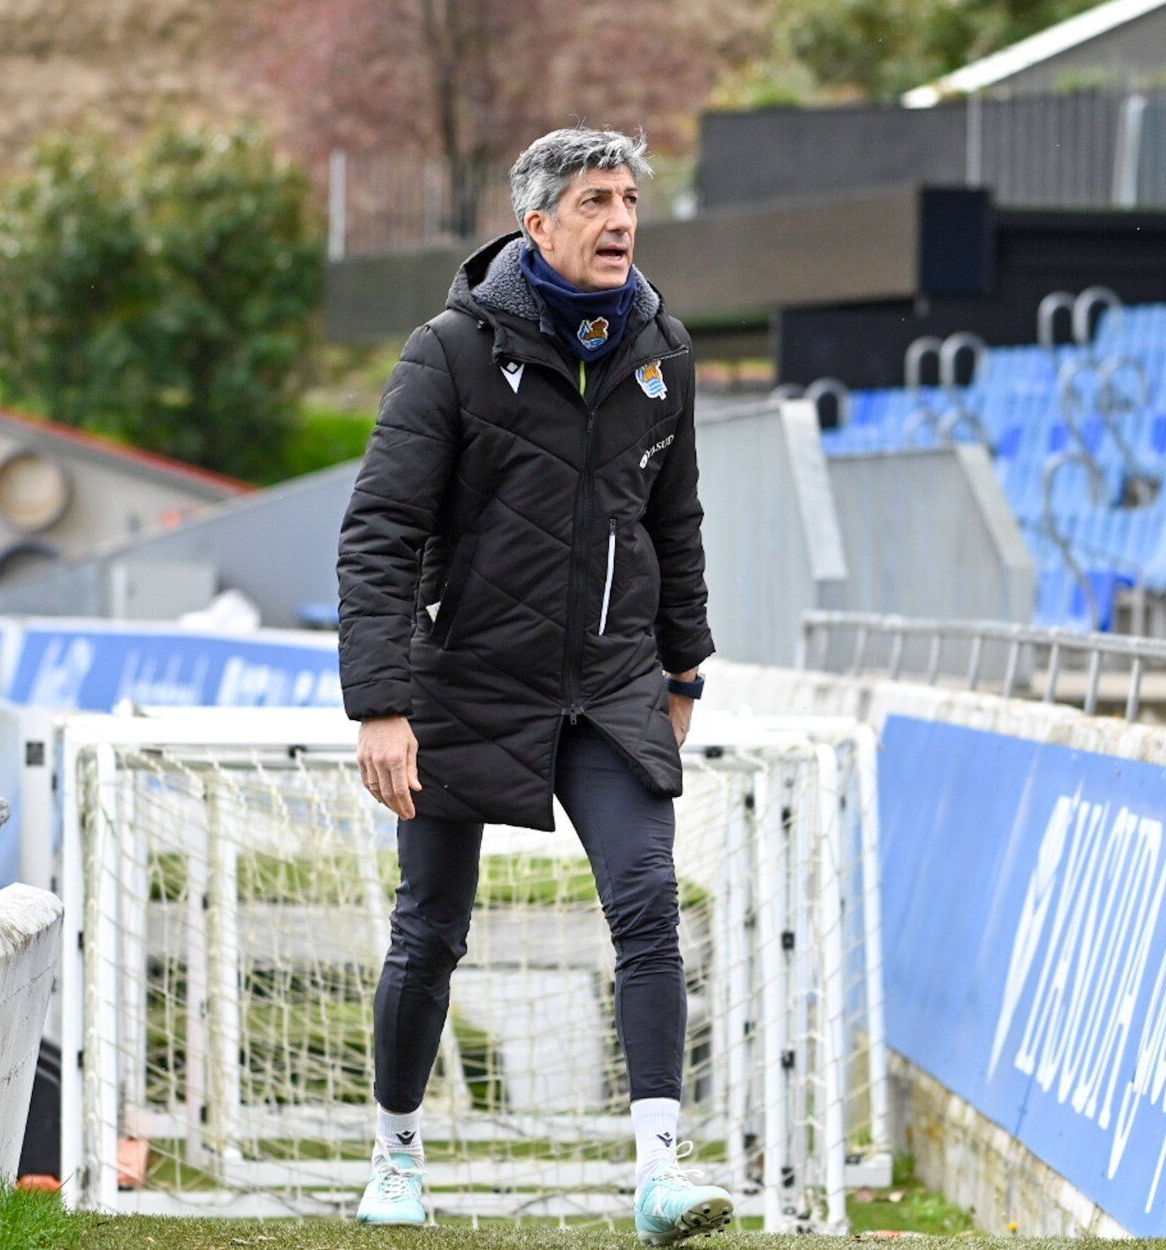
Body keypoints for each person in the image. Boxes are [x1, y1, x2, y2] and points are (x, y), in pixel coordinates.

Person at [335, 126, 725, 1243]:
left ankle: (659, 1172)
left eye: (631, 200)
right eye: (596, 201)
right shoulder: (449, 350)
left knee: (649, 907)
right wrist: (380, 700)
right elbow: (379, 533)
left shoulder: (664, 350)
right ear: (537, 222)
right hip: (463, 681)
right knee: (430, 931)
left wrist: (684, 662)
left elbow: (674, 522)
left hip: (609, 685)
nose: (619, 221)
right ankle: (396, 1153)